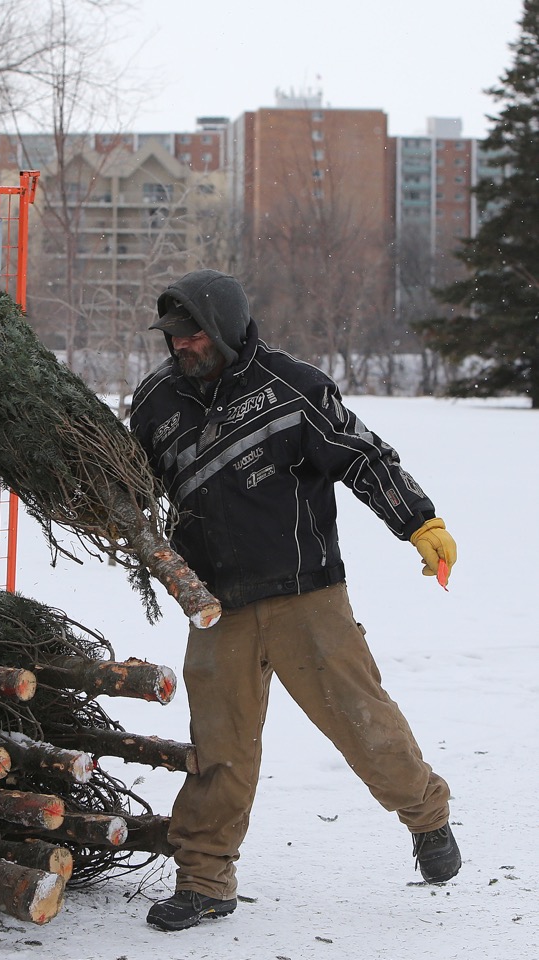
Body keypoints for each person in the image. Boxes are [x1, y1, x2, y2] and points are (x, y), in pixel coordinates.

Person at [127, 269, 460, 933]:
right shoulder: (155, 403)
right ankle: (204, 879)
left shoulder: (292, 387)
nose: (181, 345)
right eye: (173, 336)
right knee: (218, 748)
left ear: (223, 328)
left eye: (193, 334)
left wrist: (418, 522)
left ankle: (426, 815)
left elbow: (363, 457)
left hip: (306, 595)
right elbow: (130, 486)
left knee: (362, 724)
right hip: (215, 605)